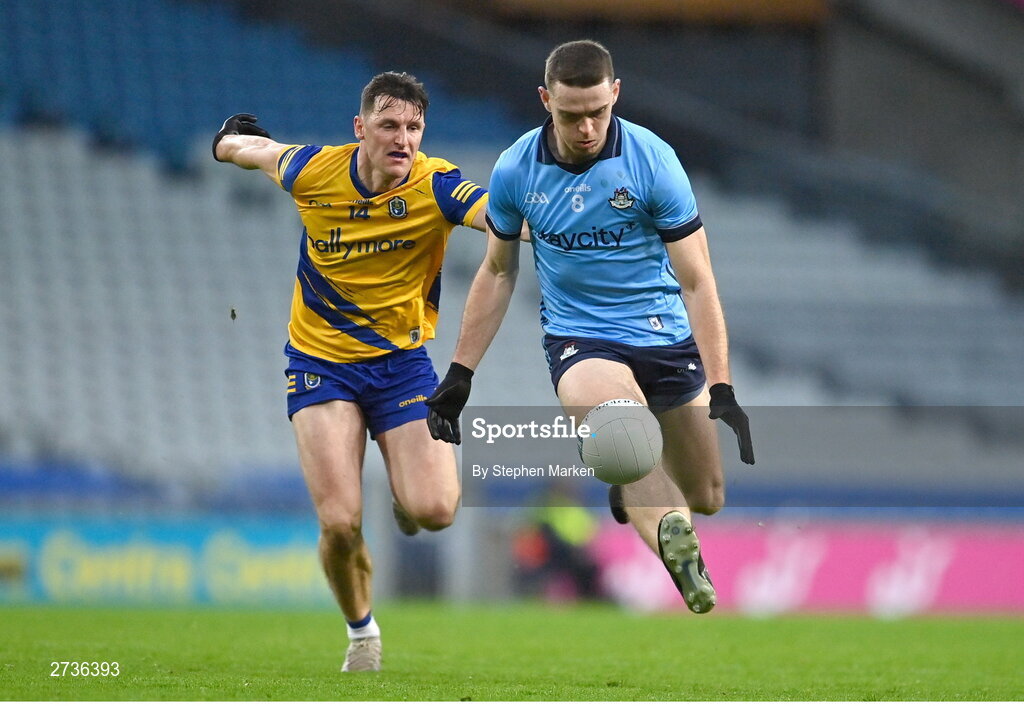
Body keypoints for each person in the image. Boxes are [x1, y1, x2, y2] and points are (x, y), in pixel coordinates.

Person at [425, 41, 754, 614]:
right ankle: (675, 545)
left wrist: (721, 383)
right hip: (583, 340)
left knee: (708, 494)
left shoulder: (653, 161)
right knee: (626, 439)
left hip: (666, 337)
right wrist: (460, 372)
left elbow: (698, 281)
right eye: (571, 114)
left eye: (597, 112)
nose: (586, 127)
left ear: (615, 94)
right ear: (545, 100)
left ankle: (632, 491)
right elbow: (498, 271)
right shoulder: (516, 169)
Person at [212, 71, 488, 671]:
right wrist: (225, 141)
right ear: (360, 128)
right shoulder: (315, 170)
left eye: (414, 127)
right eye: (390, 125)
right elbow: (253, 151)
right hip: (320, 366)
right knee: (339, 521)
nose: (403, 138)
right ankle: (362, 633)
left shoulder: (437, 185)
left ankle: (405, 497)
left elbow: (493, 214)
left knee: (436, 511)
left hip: (401, 367)